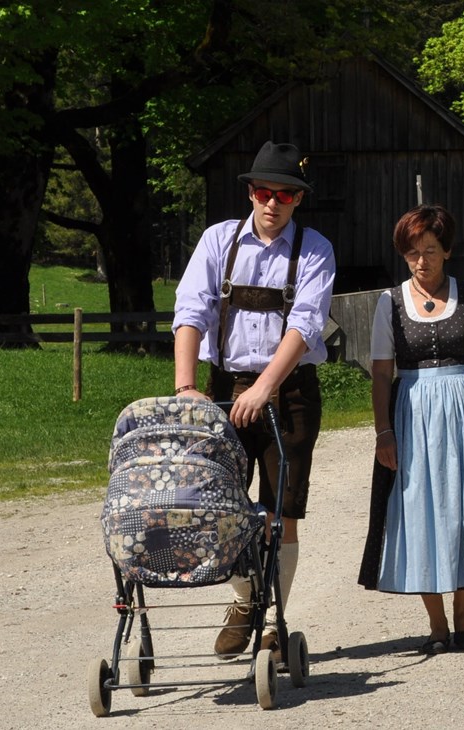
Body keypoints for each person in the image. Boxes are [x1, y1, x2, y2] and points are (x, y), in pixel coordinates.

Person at [170, 141, 337, 659]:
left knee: (278, 512)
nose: (273, 203)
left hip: (289, 393)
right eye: (265, 192)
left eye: (285, 194)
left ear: (297, 200)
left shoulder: (314, 249)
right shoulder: (219, 241)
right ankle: (245, 602)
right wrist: (185, 388)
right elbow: (191, 309)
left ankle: (274, 623)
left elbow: (306, 323)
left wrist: (266, 385)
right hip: (223, 390)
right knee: (221, 505)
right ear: (250, 192)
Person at [361, 204, 464, 655]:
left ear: (446, 250)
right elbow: (383, 374)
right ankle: (437, 622)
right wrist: (384, 432)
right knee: (419, 512)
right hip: (413, 415)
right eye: (411, 252)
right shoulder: (390, 302)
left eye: (429, 250)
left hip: (463, 411)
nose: (421, 260)